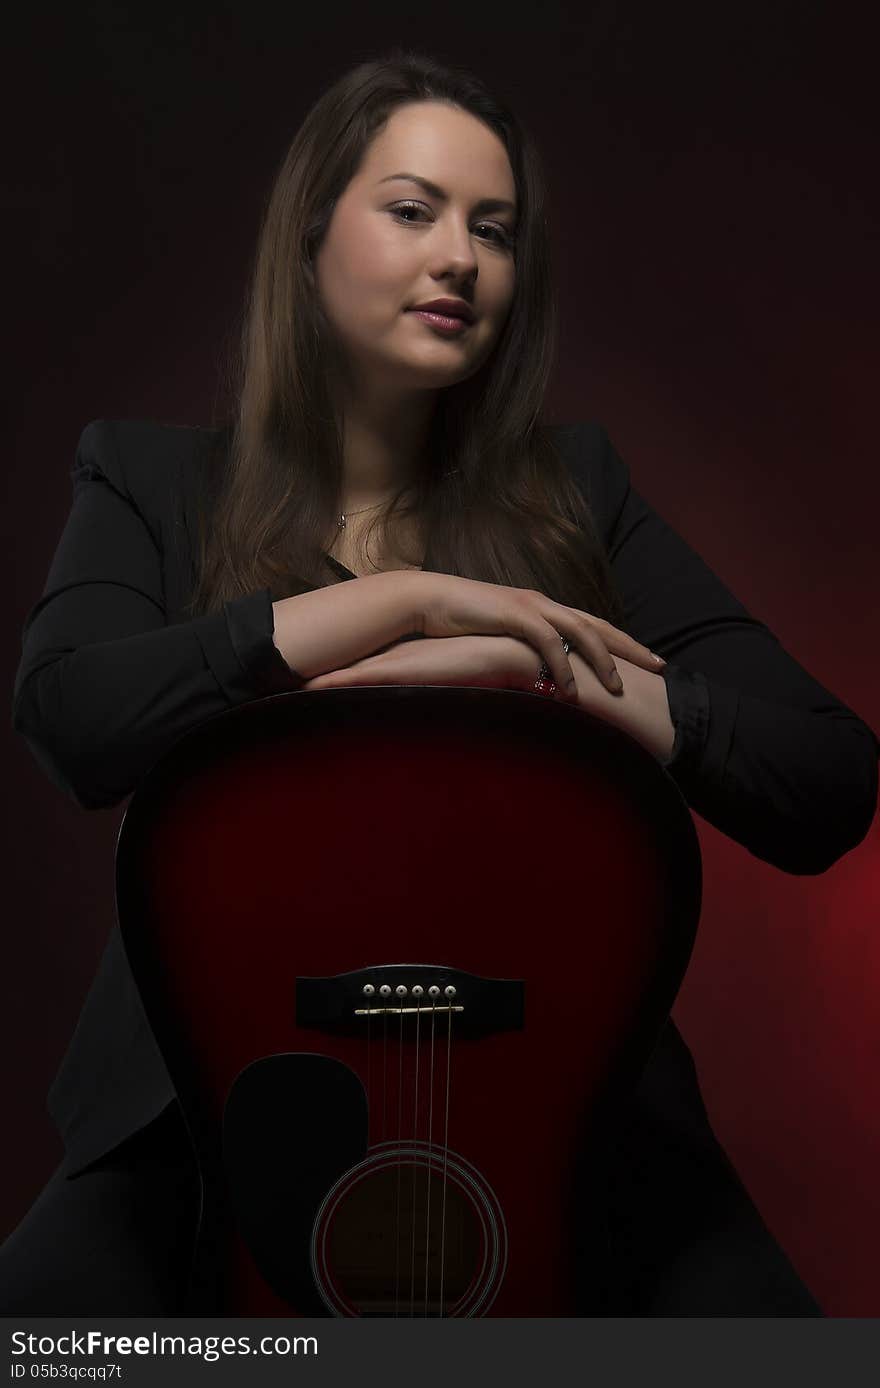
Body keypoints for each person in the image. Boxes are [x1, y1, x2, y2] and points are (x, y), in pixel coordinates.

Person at [3, 48, 877, 1317]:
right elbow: (71, 717)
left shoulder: (578, 487)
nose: (461, 256)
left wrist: (550, 674)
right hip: (195, 1106)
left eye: (494, 228)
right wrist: (404, 606)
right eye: (412, 210)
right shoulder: (148, 479)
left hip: (575, 1095)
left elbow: (828, 777)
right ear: (309, 244)